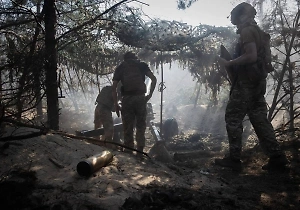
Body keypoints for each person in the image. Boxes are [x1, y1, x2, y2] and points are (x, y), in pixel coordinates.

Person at [216, 2, 288, 171]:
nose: (235, 23)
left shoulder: (248, 31)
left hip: (246, 83)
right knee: (259, 119)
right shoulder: (257, 31)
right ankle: (277, 157)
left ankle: (234, 160)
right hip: (257, 82)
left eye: (235, 19)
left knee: (233, 119)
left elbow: (251, 56)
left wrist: (229, 62)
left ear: (241, 16)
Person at [112, 52, 157, 157]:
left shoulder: (121, 67)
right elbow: (154, 79)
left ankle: (128, 150)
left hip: (127, 99)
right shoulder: (142, 65)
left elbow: (114, 87)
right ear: (135, 57)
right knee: (141, 125)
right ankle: (140, 151)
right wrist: (149, 95)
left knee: (128, 126)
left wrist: (115, 104)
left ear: (125, 58)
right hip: (141, 98)